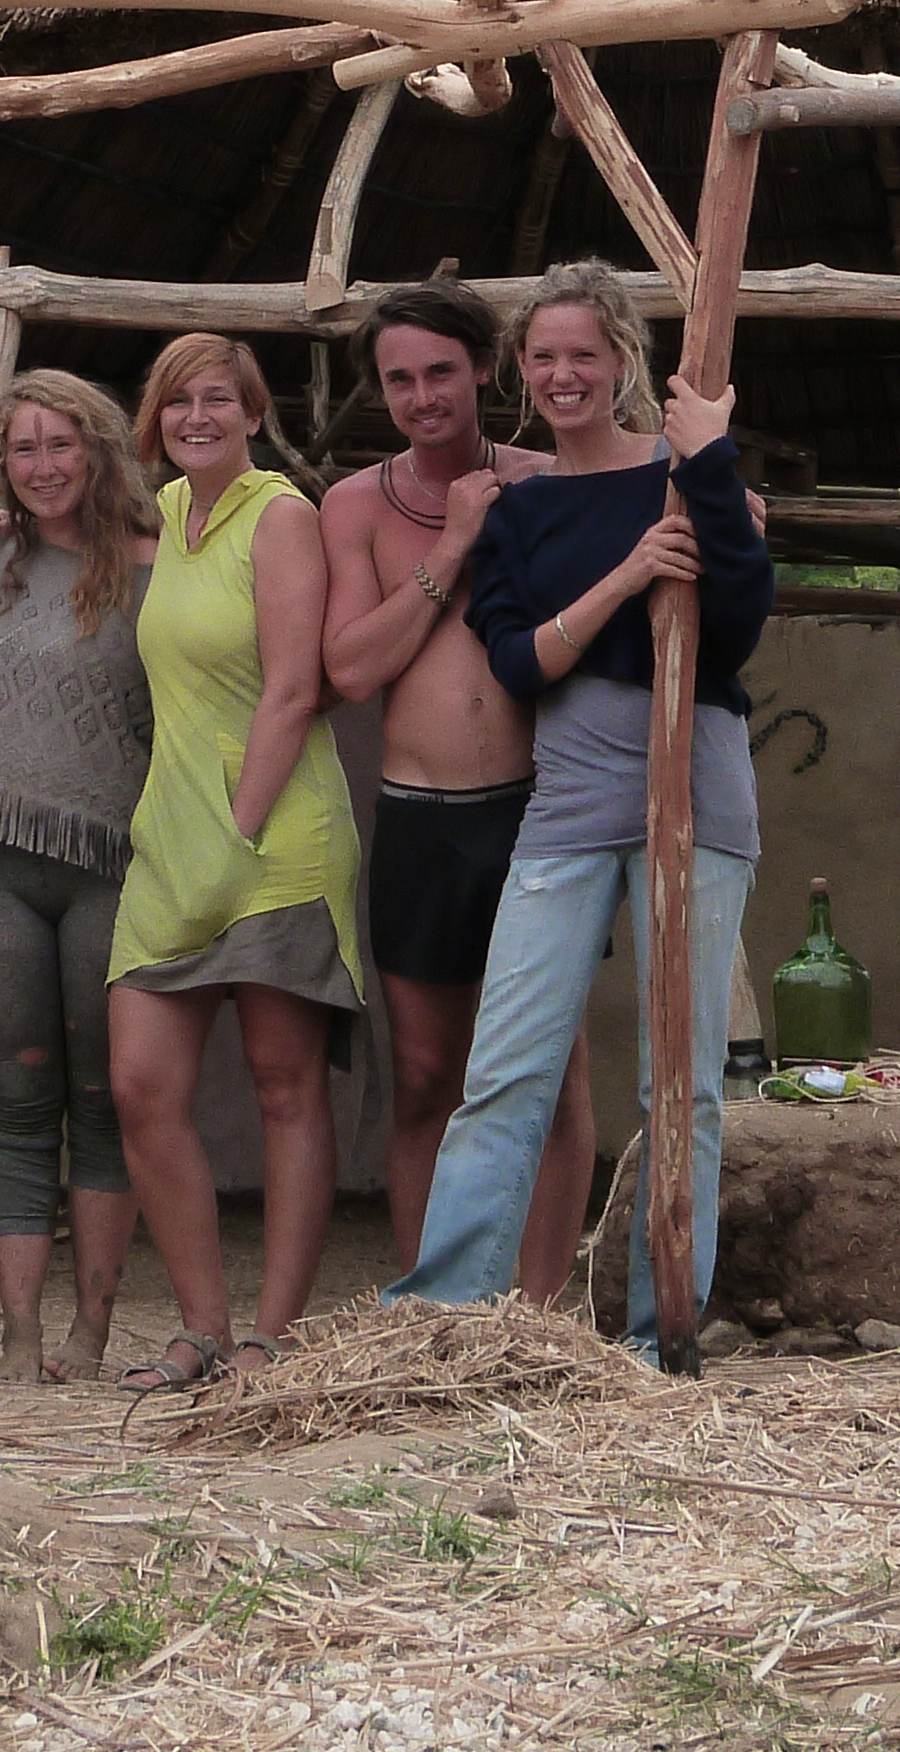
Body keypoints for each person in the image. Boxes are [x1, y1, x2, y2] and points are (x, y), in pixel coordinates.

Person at [387, 262, 772, 1350]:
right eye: (544, 357)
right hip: (571, 787)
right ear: (522, 369)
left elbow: (735, 626)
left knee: (680, 1078)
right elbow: (517, 662)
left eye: (583, 357)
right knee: (506, 1060)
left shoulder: (685, 472)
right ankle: (445, 1321)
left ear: (621, 364)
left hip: (693, 776)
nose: (563, 376)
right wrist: (626, 577)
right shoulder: (525, 509)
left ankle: (664, 1334)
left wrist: (706, 470)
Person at [319, 280, 594, 1297]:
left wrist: (720, 494)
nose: (423, 395)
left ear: (486, 367)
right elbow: (350, 670)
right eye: (400, 379)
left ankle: (539, 1311)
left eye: (440, 371)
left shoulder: (549, 479)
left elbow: (657, 502)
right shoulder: (353, 505)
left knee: (548, 1074)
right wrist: (450, 547)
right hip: (422, 820)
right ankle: (433, 1312)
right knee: (428, 1075)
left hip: (537, 812)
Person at [106, 334, 362, 1391]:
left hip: (275, 841)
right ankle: (197, 1326)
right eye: (176, 402)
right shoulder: (162, 517)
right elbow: (67, 531)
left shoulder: (283, 516)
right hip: (170, 841)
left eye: (217, 400)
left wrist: (238, 835)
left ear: (253, 414)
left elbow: (294, 691)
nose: (195, 417)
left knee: (283, 1084)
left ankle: (272, 1332)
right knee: (140, 1084)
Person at [0, 368, 159, 1382]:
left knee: (102, 1099)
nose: (41, 467)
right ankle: (21, 1335)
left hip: (110, 868)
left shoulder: (153, 569)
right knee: (19, 1099)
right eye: (23, 448)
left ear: (98, 451)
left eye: (60, 445)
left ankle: (93, 1331)